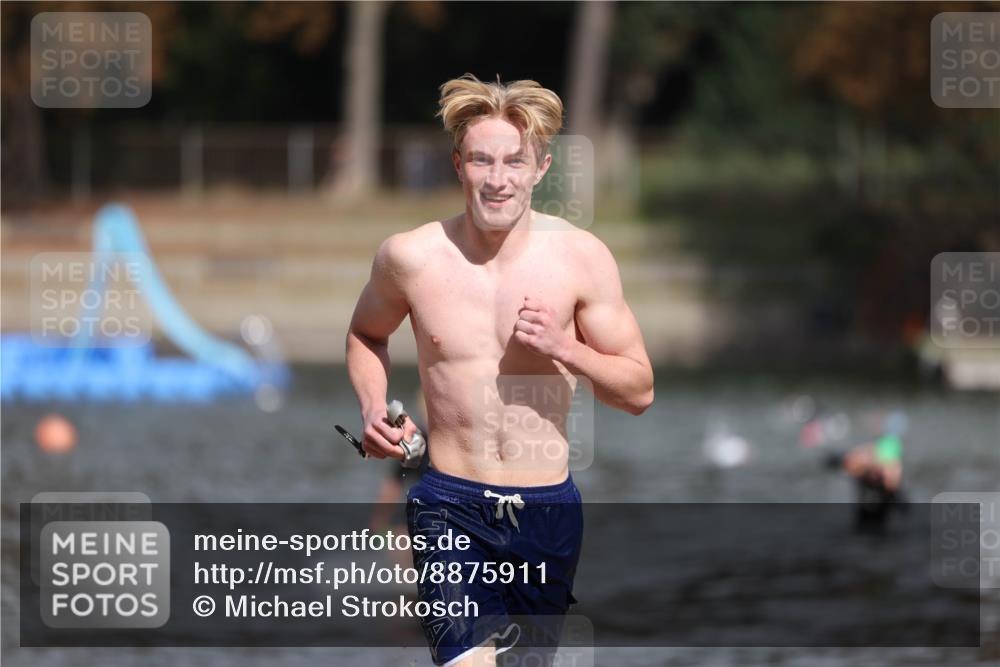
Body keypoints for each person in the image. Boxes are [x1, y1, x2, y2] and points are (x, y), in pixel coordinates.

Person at [346, 73, 654, 666]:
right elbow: (365, 333)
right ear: (459, 164)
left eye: (515, 161)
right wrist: (372, 408)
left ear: (541, 168)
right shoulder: (410, 257)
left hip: (547, 512)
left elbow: (639, 390)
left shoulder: (581, 260)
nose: (498, 178)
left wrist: (568, 348)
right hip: (448, 503)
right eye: (483, 160)